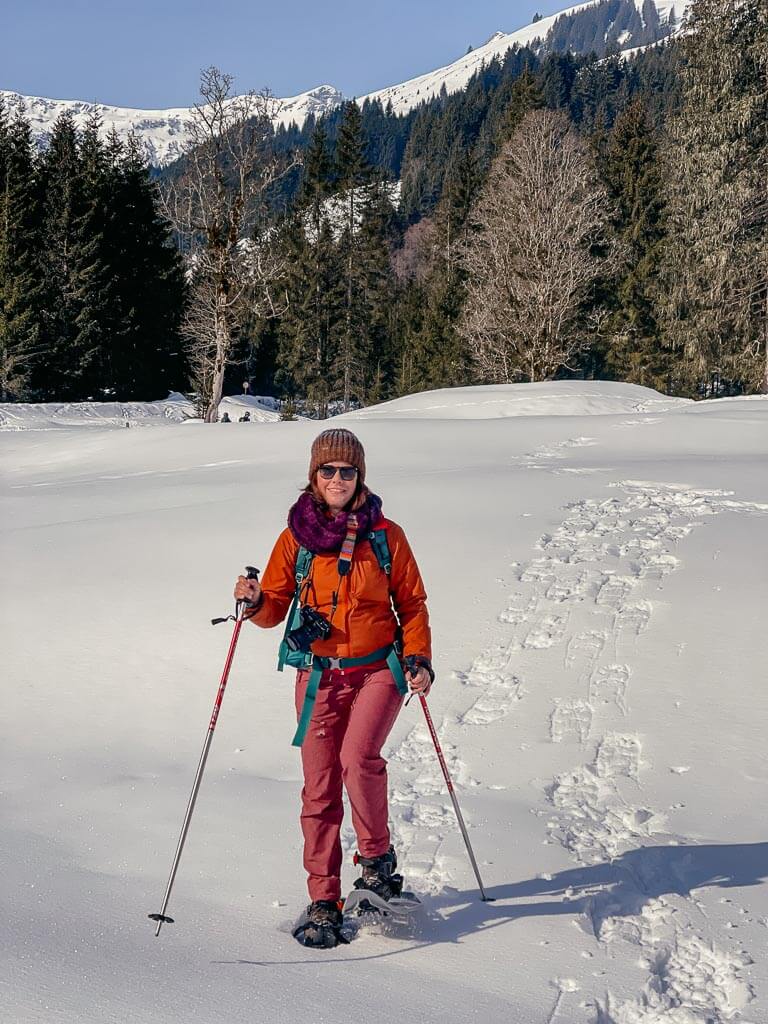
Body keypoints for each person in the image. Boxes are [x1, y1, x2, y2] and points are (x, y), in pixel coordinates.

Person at [234, 427, 433, 947]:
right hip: (319, 674)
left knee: (358, 758)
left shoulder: (386, 536)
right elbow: (275, 607)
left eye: (348, 471)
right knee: (319, 785)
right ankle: (324, 898)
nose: (338, 479)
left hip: (377, 669)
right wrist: (256, 603)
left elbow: (411, 604)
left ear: (359, 476)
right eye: (329, 470)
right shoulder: (295, 538)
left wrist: (419, 658)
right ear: (313, 476)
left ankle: (376, 865)